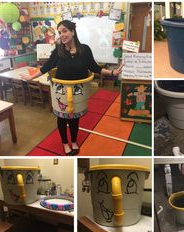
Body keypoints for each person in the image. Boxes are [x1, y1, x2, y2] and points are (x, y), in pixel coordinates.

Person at [21, 20, 123, 155]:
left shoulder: (85, 49)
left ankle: (74, 141)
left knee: (75, 118)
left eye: (65, 31)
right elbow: (47, 67)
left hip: (78, 92)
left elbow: (94, 67)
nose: (62, 35)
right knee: (62, 119)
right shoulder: (58, 51)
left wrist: (112, 72)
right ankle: (65, 143)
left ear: (73, 32)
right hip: (61, 91)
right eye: (59, 32)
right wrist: (31, 77)